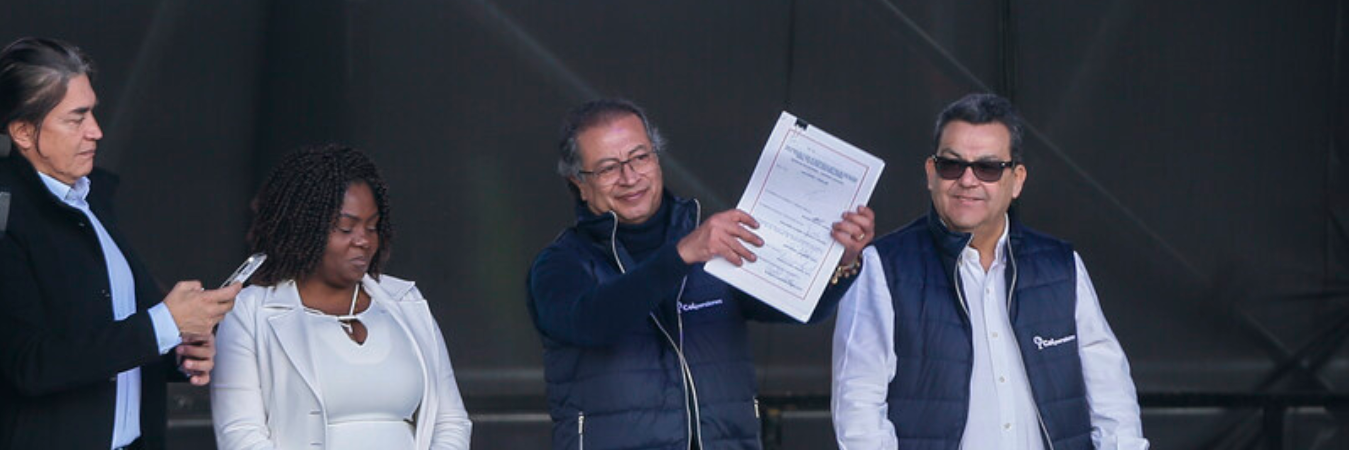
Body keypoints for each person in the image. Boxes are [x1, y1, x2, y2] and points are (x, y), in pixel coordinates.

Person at [527, 98, 875, 450]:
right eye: (608, 169)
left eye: (640, 157)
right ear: (578, 183)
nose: (630, 177)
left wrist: (842, 260)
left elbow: (800, 307)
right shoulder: (560, 265)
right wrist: (680, 256)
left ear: (657, 157)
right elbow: (594, 323)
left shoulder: (710, 241)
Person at [830, 93, 1148, 449]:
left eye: (988, 168)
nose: (968, 180)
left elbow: (1111, 395)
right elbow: (858, 403)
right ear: (931, 173)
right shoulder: (884, 266)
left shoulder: (1060, 266)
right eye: (952, 165)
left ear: (1017, 180)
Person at [0, 37, 241, 449]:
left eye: (92, 111)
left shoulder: (92, 201)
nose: (96, 131)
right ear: (23, 132)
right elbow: (30, 364)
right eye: (76, 119)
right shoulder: (7, 215)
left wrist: (178, 348)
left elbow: (111, 337)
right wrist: (165, 324)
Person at [210, 144, 472, 449]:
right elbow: (241, 434)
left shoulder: (406, 301)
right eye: (346, 228)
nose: (364, 241)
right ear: (302, 228)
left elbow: (450, 421)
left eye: (372, 227)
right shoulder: (250, 311)